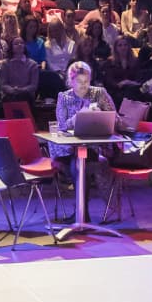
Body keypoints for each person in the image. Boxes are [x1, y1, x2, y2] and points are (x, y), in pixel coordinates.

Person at [50, 61, 115, 211]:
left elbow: (115, 119)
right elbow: (62, 126)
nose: (84, 85)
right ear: (70, 81)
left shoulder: (99, 93)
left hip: (95, 147)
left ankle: (81, 213)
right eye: (79, 81)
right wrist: (78, 117)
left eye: (86, 81)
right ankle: (82, 212)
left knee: (79, 166)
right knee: (77, 166)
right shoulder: (64, 97)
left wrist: (101, 114)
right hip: (69, 149)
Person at [0, 35, 39, 106]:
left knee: (23, 97)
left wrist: (21, 90)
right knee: (11, 98)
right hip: (9, 95)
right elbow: (3, 84)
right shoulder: (5, 64)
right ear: (11, 47)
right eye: (16, 44)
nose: (19, 45)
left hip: (27, 96)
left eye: (22, 43)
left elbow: (33, 85)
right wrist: (13, 90)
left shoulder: (33, 64)